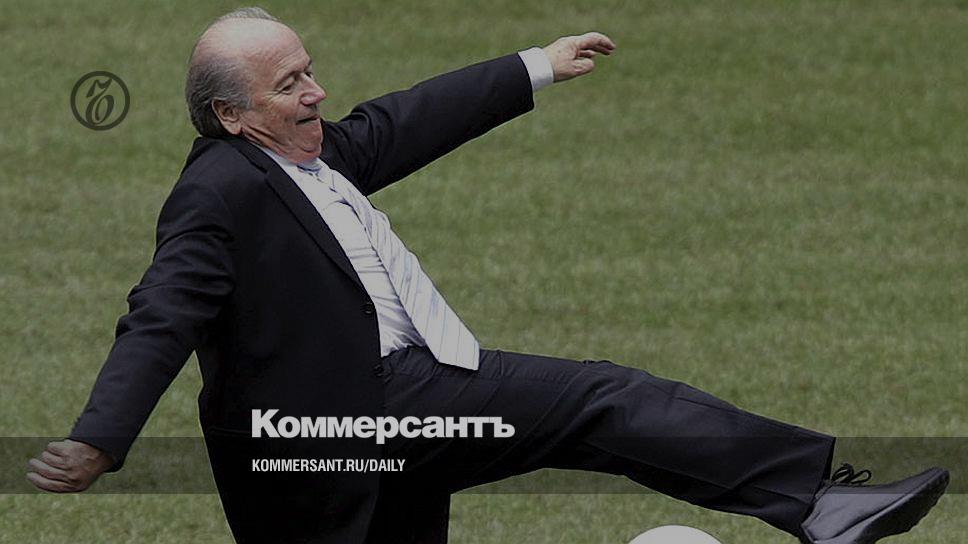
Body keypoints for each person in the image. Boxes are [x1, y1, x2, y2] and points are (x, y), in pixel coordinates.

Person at [27, 7, 948, 544]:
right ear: (232, 115)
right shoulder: (219, 192)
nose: (315, 93)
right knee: (603, 401)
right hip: (353, 418)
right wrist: (101, 439)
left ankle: (818, 500)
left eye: (310, 72)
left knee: (596, 412)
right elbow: (162, 314)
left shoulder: (310, 153)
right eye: (289, 85)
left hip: (380, 418)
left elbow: (408, 119)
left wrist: (538, 66)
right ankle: (819, 498)